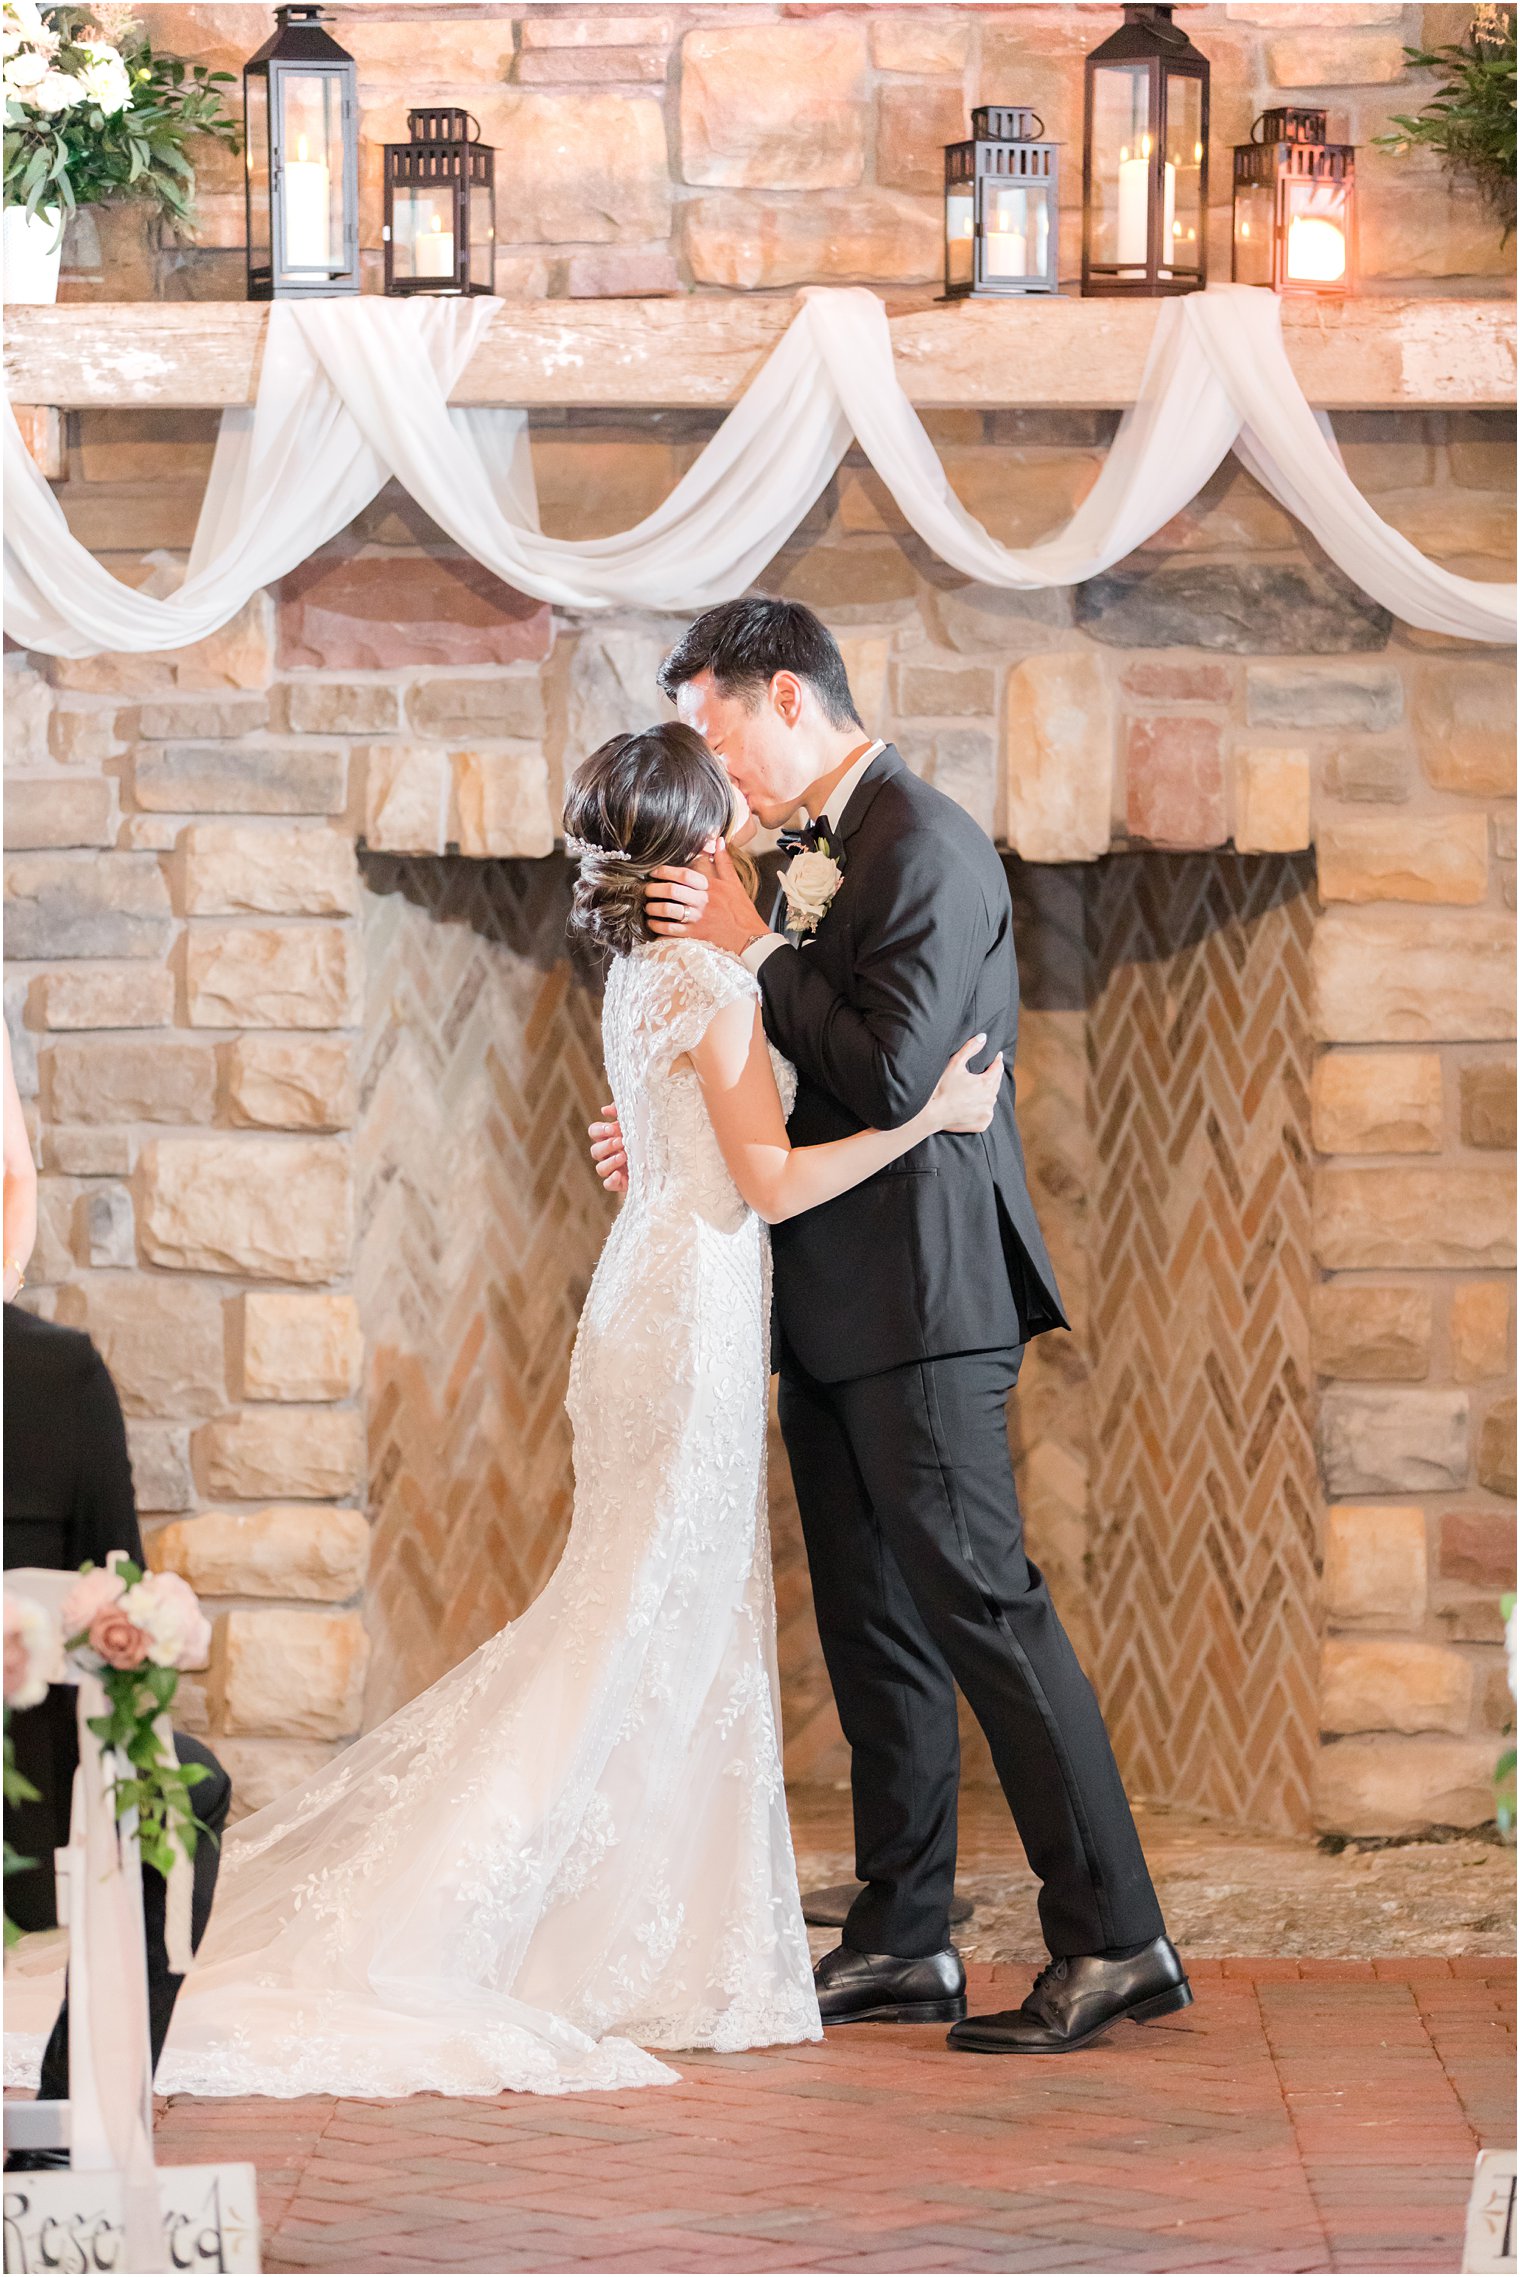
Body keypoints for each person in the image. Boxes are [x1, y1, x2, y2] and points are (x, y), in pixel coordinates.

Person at [3, 724, 1001, 2103]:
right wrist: (927, 1120)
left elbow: (681, 1148)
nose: (746, 830)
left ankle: (658, 1934)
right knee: (646, 1617)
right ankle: (549, 1926)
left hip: (649, 1290)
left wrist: (677, 1153)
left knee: (640, 1614)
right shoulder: (712, 975)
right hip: (690, 1308)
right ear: (696, 837)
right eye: (726, 814)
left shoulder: (644, 970)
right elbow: (767, 1184)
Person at [590, 599, 1189, 2054]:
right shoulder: (809, 851)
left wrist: (750, 937)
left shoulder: (923, 840)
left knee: (985, 1606)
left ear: (783, 692)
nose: (714, 758)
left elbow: (900, 1063)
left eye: (718, 719)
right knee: (875, 1633)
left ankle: (1118, 1937)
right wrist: (678, 1139)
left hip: (924, 1297)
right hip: (825, 1286)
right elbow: (808, 1070)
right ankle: (903, 1939)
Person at [2, 1020, 232, 2146]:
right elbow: (121, 1587)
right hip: (34, 1771)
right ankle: (81, 2114)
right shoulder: (53, 1371)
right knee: (181, 1790)